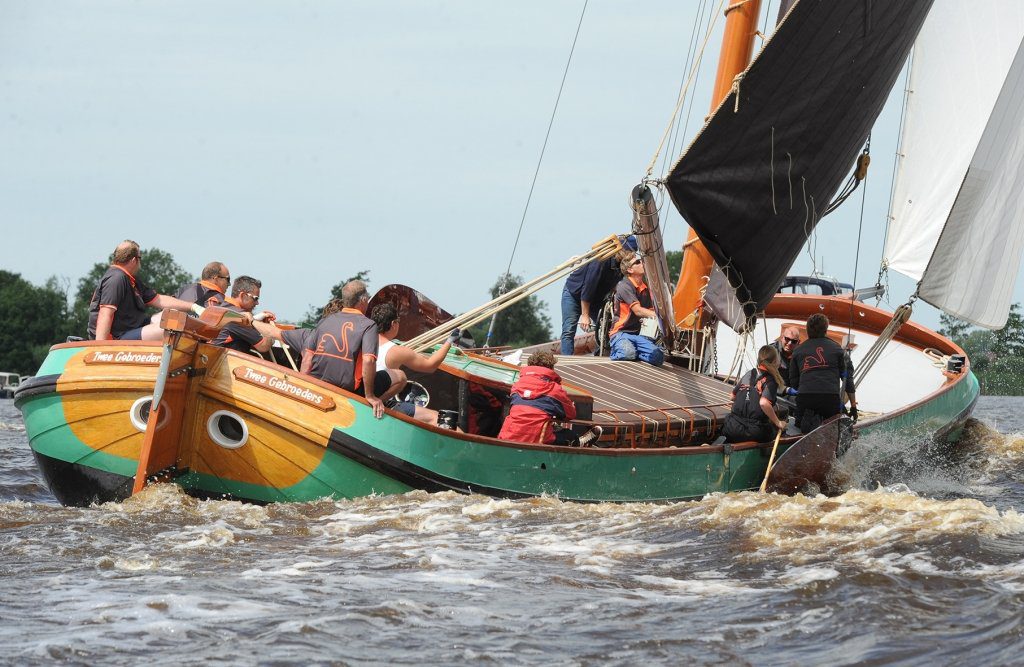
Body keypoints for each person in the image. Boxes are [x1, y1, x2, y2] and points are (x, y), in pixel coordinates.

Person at [307, 280, 403, 419]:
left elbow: (308, 356)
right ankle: (370, 408)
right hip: (349, 390)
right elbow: (369, 360)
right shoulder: (368, 325)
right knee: (400, 376)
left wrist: (305, 387)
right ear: (363, 299)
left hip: (318, 383)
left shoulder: (325, 321)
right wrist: (370, 395)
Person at [88, 240, 215, 341]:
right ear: (134, 260)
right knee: (172, 329)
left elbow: (158, 299)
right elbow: (106, 313)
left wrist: (193, 307)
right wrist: (100, 348)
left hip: (133, 328)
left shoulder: (129, 278)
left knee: (175, 316)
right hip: (118, 337)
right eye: (140, 258)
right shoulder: (116, 278)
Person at [369, 302, 459, 425]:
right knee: (435, 417)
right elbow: (430, 365)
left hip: (363, 395)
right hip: (381, 404)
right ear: (393, 324)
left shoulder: (364, 342)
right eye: (398, 321)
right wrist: (449, 341)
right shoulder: (397, 351)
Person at [498, 351, 602, 446]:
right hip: (536, 437)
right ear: (551, 368)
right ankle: (580, 443)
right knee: (568, 435)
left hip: (508, 435)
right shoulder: (554, 389)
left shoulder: (516, 386)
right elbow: (571, 414)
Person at [560, 235, 638, 355]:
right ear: (621, 250)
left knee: (607, 327)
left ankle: (600, 354)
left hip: (595, 299)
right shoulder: (601, 260)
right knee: (569, 330)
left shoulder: (622, 265)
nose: (631, 256)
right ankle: (565, 360)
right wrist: (585, 315)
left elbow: (615, 286)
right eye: (629, 252)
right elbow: (588, 287)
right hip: (574, 294)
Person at [789, 313, 847, 433]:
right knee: (833, 428)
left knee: (800, 425)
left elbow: (794, 381)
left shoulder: (798, 351)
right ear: (826, 330)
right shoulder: (837, 349)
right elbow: (845, 377)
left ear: (808, 330)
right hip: (830, 397)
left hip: (806, 397)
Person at [608, 253, 665, 366]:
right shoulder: (624, 286)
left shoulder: (645, 288)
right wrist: (661, 316)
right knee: (627, 353)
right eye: (638, 262)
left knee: (658, 357)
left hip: (638, 335)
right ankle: (618, 351)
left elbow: (649, 311)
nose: (642, 263)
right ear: (630, 269)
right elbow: (638, 311)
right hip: (620, 333)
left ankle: (635, 352)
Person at [723, 345, 788, 443]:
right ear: (775, 362)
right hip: (754, 431)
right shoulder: (771, 380)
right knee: (780, 430)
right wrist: (778, 422)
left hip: (732, 427)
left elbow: (732, 396)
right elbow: (764, 403)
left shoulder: (749, 373)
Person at [210, 275, 278, 355]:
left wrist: (256, 320)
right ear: (242, 295)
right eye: (255, 298)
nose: (257, 303)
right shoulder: (238, 317)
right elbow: (263, 346)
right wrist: (269, 329)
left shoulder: (223, 307)